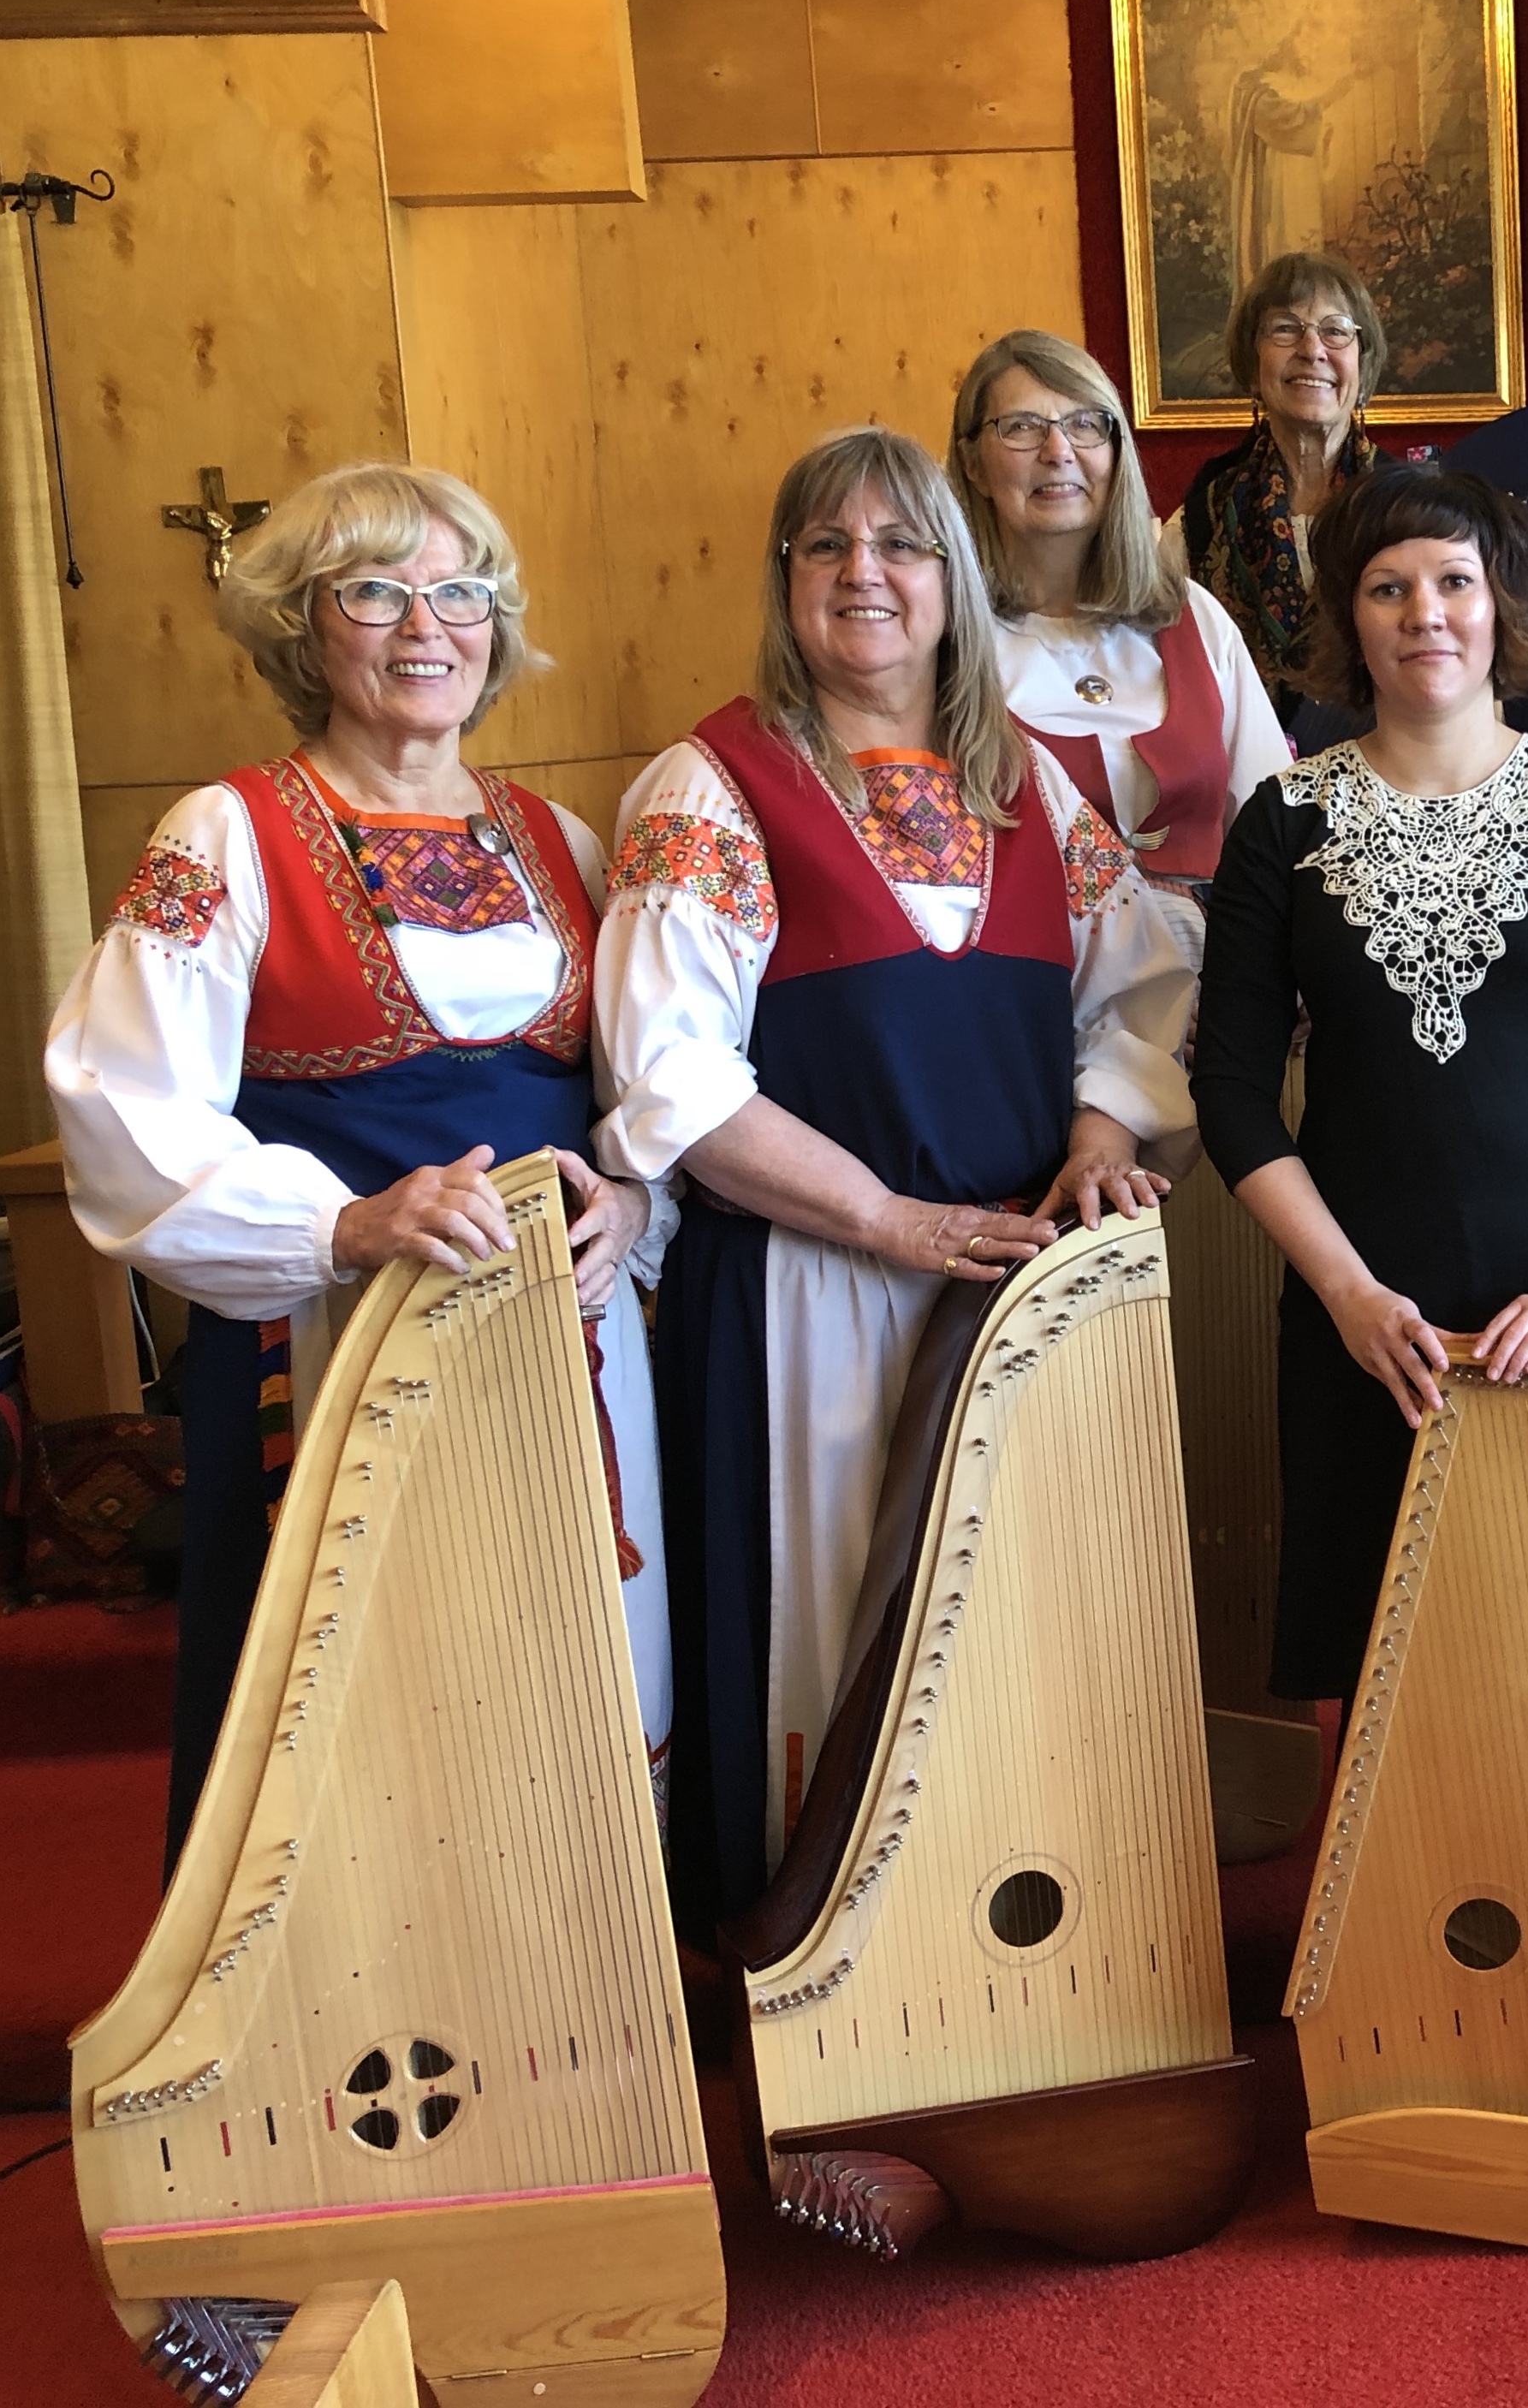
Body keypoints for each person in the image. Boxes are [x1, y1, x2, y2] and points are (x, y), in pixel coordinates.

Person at [595, 425, 1196, 1940]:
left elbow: (1142, 997)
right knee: (829, 1635)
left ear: (956, 581)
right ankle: (829, 1968)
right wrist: (882, 1217)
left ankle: (1004, 1948)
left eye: (902, 546)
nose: (864, 574)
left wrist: (1103, 1139)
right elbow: (671, 1072)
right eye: (825, 547)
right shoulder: (714, 786)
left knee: (1009, 1628)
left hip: (1010, 1288)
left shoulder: (1035, 793)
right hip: (807, 1286)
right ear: (784, 582)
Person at [44, 463, 672, 1860]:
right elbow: (121, 1101)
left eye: (459, 591)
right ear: (301, 625)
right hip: (324, 1345)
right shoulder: (223, 835)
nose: (423, 625)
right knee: (365, 1712)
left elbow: (642, 1093)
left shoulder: (562, 843)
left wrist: (636, 1201)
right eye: (376, 591)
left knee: (574, 1678)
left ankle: (586, 1991)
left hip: (567, 1351)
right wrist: (343, 1222)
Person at [1190, 464, 1528, 1824]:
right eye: (1388, 586)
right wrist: (1350, 1295)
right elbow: (1237, 1096)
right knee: (1389, 1693)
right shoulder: (1283, 822)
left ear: (1504, 607)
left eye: (1454, 581)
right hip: (1374, 1319)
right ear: (1348, 620)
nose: (1426, 611)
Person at [948, 328, 1288, 959]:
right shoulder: (947, 646)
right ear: (973, 464)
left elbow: (1278, 831)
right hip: (1043, 995)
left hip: (1215, 988)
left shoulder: (1191, 616)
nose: (1059, 450)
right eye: (1021, 427)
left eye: (1086, 424)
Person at [1166, 253, 1404, 746]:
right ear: (1253, 368)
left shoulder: (1410, 506)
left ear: (1364, 362)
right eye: (1284, 329)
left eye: (1336, 330)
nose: (1312, 348)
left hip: (1395, 776)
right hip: (1248, 792)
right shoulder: (1198, 523)